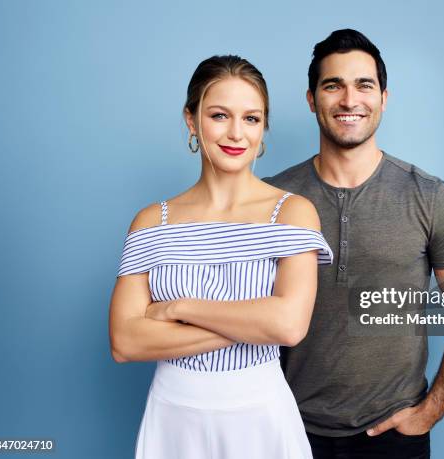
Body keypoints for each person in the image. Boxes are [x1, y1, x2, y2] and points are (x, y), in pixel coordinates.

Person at [264, 29, 444, 459]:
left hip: (392, 437)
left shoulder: (430, 198)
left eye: (364, 85)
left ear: (383, 97)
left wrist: (430, 411)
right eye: (333, 86)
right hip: (285, 429)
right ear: (312, 99)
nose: (350, 100)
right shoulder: (272, 200)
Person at [108, 55, 333, 459]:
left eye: (251, 118)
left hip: (260, 413)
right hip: (174, 414)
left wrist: (180, 308)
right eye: (219, 115)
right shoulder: (150, 223)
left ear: (264, 128)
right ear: (192, 120)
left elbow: (289, 325)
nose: (236, 133)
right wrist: (251, 324)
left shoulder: (293, 212)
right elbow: (125, 342)